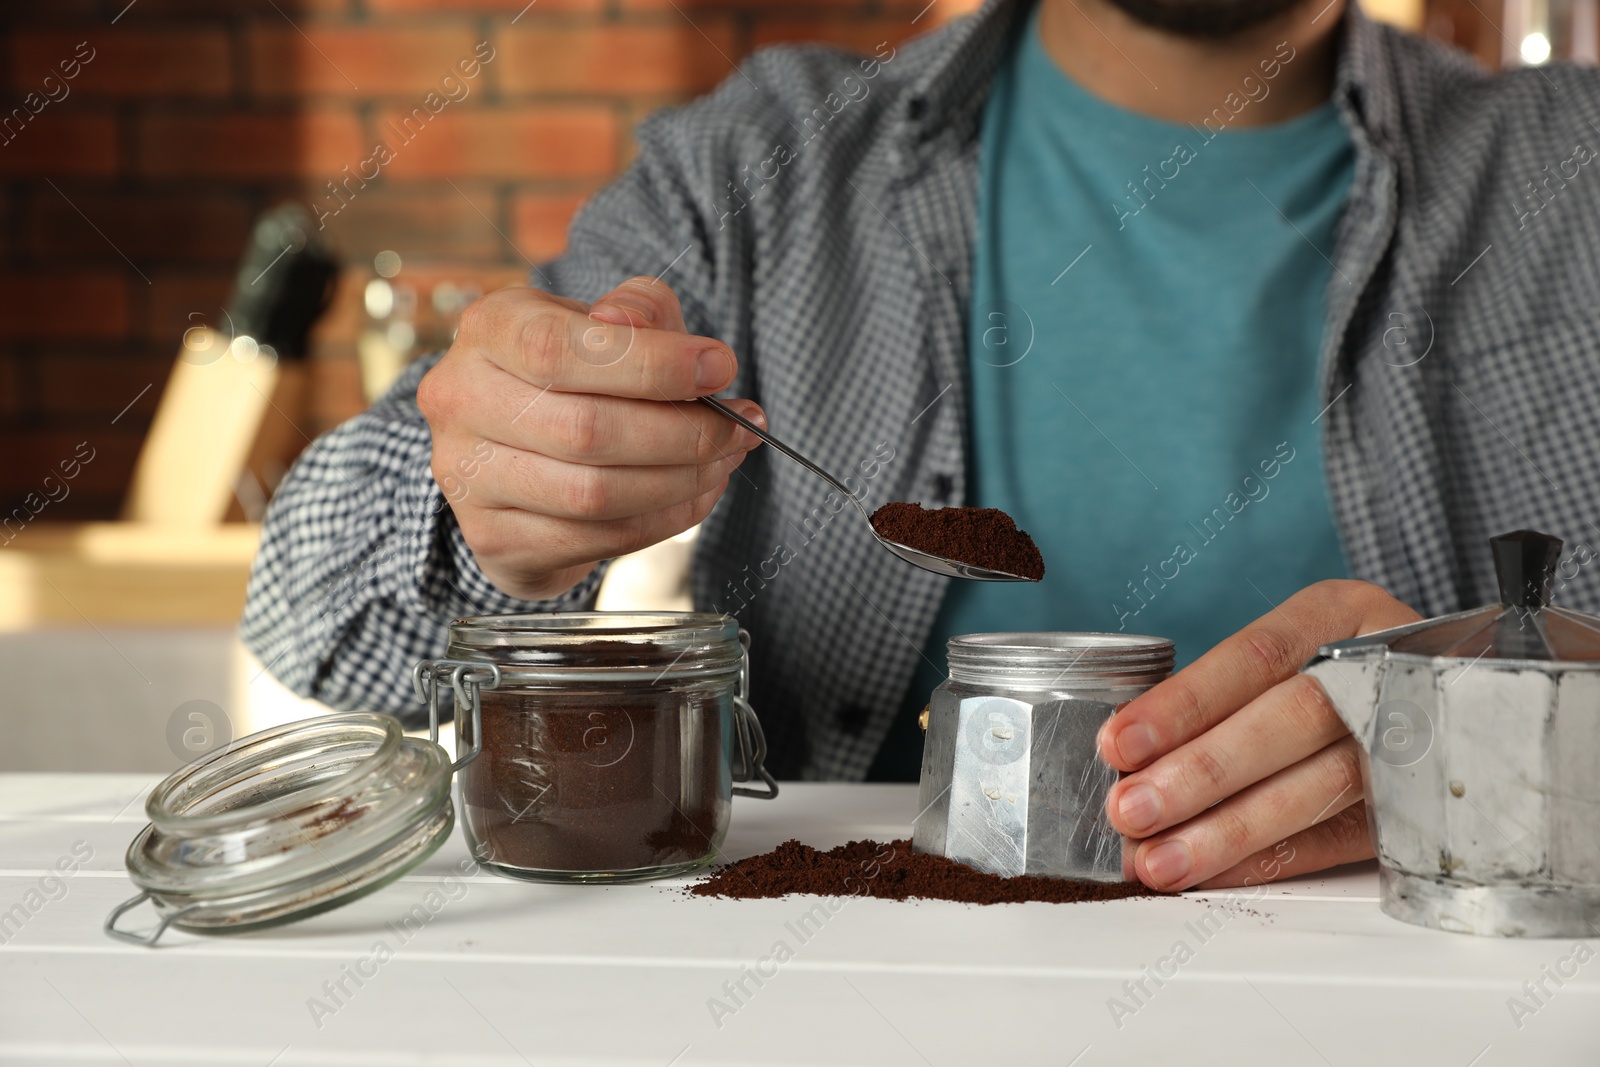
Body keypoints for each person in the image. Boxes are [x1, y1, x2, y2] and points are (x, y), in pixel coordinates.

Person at [242, 0, 1600, 892]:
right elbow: (314, 620)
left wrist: (1506, 738)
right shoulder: (760, 171)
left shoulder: (1571, 178)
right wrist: (477, 494)